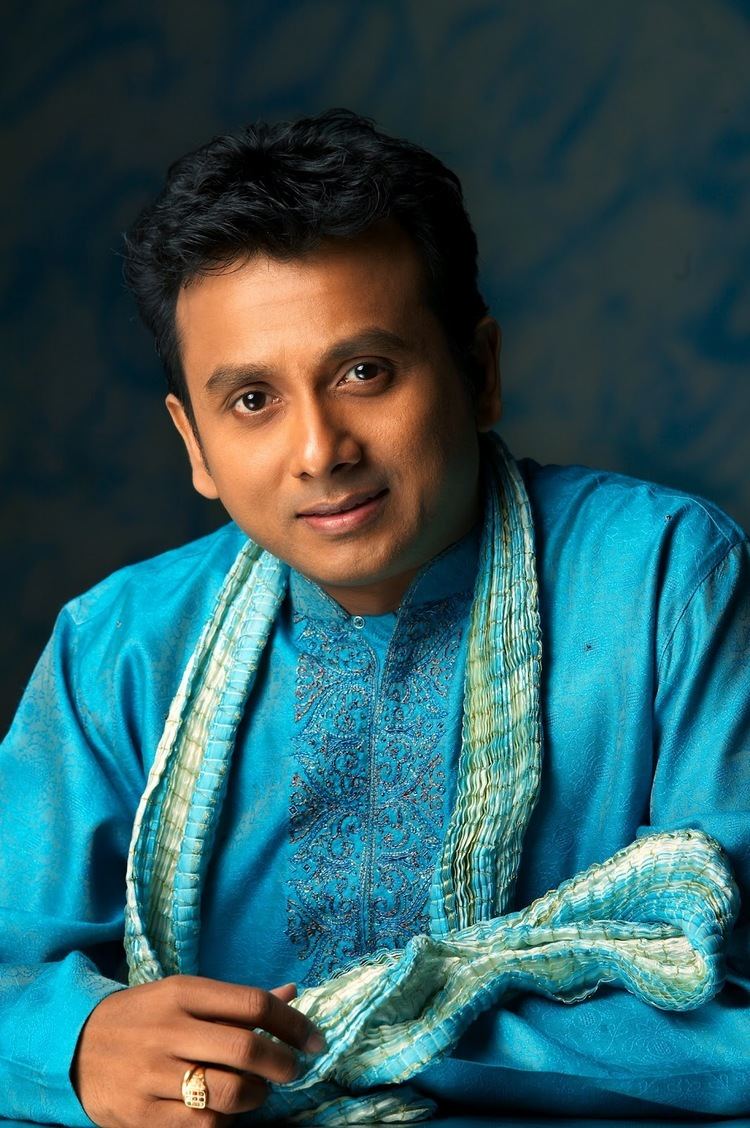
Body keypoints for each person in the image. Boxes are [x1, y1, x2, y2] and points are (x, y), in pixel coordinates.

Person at [1, 108, 749, 1127]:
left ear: (479, 371)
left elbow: (731, 1005)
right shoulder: (118, 646)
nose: (321, 451)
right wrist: (77, 1044)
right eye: (253, 400)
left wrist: (346, 1040)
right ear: (195, 445)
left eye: (365, 372)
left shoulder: (665, 579)